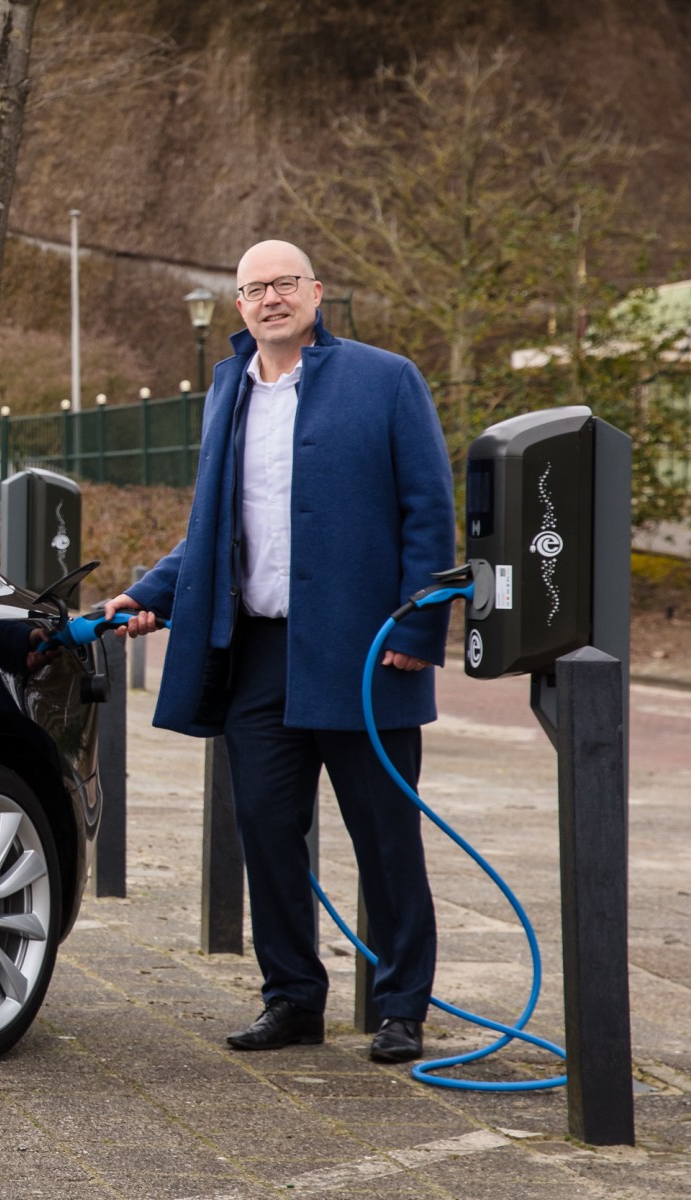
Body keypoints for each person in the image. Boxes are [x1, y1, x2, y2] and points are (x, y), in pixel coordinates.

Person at [104, 240, 455, 1065]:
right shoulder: (227, 388)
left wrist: (417, 627)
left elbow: (427, 512)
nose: (269, 298)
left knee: (385, 835)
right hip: (257, 653)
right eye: (253, 288)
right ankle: (292, 999)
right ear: (237, 306)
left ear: (316, 291)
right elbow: (213, 524)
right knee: (263, 827)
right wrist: (146, 593)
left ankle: (400, 1008)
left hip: (365, 651)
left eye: (283, 284)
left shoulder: (386, 379)